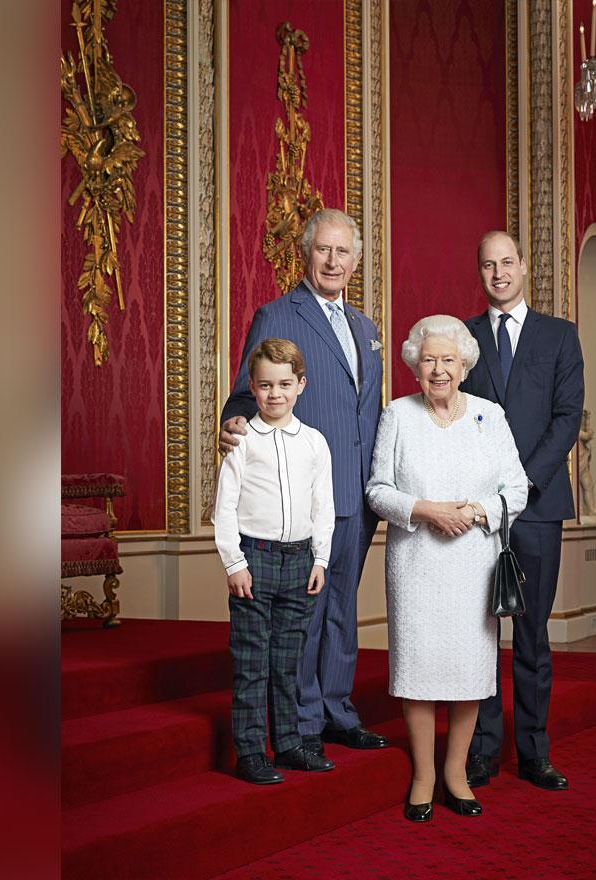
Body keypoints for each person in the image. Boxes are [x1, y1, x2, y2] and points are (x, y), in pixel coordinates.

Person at [219, 209, 388, 757]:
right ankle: (300, 723)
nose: (334, 262)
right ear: (305, 253)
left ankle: (338, 709)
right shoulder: (278, 314)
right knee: (305, 618)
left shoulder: (366, 328)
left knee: (342, 609)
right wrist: (234, 422)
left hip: (358, 494)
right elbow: (248, 392)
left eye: (344, 253)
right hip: (305, 493)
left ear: (356, 260)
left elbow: (368, 412)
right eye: (324, 250)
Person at [366, 315, 529, 822]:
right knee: (417, 668)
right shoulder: (398, 414)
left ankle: (456, 773)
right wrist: (426, 510)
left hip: (473, 562)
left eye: (449, 360)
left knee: (468, 671)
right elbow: (377, 490)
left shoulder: (490, 415)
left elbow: (517, 489)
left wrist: (476, 512)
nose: (439, 370)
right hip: (415, 561)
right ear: (415, 364)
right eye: (429, 360)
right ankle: (423, 775)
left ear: (464, 365)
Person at [462, 231, 585, 792]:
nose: (498, 273)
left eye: (506, 262)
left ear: (524, 267)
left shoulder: (560, 336)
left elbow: (566, 420)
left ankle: (534, 751)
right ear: (481, 272)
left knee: (532, 634)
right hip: (479, 511)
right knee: (482, 634)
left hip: (536, 507)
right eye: (488, 265)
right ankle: (483, 750)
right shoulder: (460, 338)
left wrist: (522, 483)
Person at [212, 338, 337, 784]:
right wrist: (233, 563)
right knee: (251, 661)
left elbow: (324, 505)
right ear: (253, 386)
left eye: (285, 384)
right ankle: (250, 751)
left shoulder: (315, 443)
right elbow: (223, 508)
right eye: (265, 385)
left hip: (300, 561)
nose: (275, 394)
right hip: (255, 559)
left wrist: (320, 559)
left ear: (301, 384)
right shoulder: (242, 441)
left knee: (287, 661)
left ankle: (287, 744)